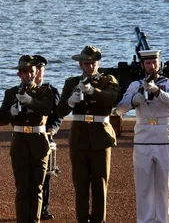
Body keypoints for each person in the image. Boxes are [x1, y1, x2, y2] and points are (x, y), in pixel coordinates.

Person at [56, 45, 119, 223]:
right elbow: (60, 112)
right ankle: (82, 219)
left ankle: (99, 220)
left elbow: (112, 99)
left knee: (100, 184)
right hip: (80, 137)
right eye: (86, 63)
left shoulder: (108, 80)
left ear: (98, 63)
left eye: (93, 63)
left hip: (101, 135)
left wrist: (93, 91)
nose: (90, 67)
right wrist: (70, 101)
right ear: (81, 64)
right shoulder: (71, 82)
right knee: (81, 184)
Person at [116, 50, 169, 223]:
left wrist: (156, 90)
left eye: (155, 62)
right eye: (148, 63)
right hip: (143, 137)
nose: (152, 66)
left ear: (160, 63)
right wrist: (133, 101)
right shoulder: (135, 85)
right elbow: (119, 110)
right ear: (142, 65)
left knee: (164, 186)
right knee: (143, 187)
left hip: (163, 137)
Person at [0, 55, 52, 223]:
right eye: (25, 72)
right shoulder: (11, 93)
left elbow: (47, 109)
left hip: (39, 142)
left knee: (37, 188)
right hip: (20, 142)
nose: (28, 75)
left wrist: (30, 101)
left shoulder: (44, 91)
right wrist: (11, 112)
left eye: (31, 72)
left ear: (36, 73)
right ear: (19, 74)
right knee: (22, 188)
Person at [33, 54, 62, 221]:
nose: (37, 73)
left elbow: (57, 116)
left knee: (46, 175)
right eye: (35, 70)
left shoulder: (51, 91)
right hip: (28, 136)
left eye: (40, 70)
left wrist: (53, 128)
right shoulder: (23, 90)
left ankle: (43, 209)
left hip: (45, 136)